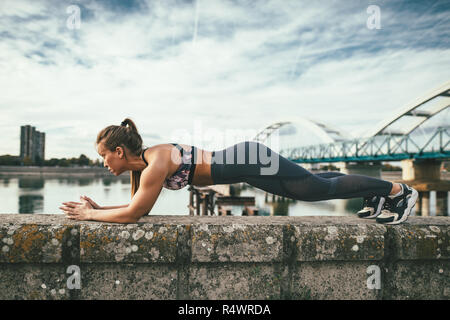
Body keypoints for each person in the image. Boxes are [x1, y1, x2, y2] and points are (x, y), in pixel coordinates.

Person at [60, 118, 418, 224]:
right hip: (246, 167)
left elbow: (135, 214)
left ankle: (398, 192)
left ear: (120, 151)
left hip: (248, 158)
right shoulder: (144, 169)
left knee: (311, 189)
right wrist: (100, 209)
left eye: (104, 156)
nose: (104, 163)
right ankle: (375, 192)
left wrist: (90, 216)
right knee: (309, 186)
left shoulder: (156, 161)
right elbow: (139, 208)